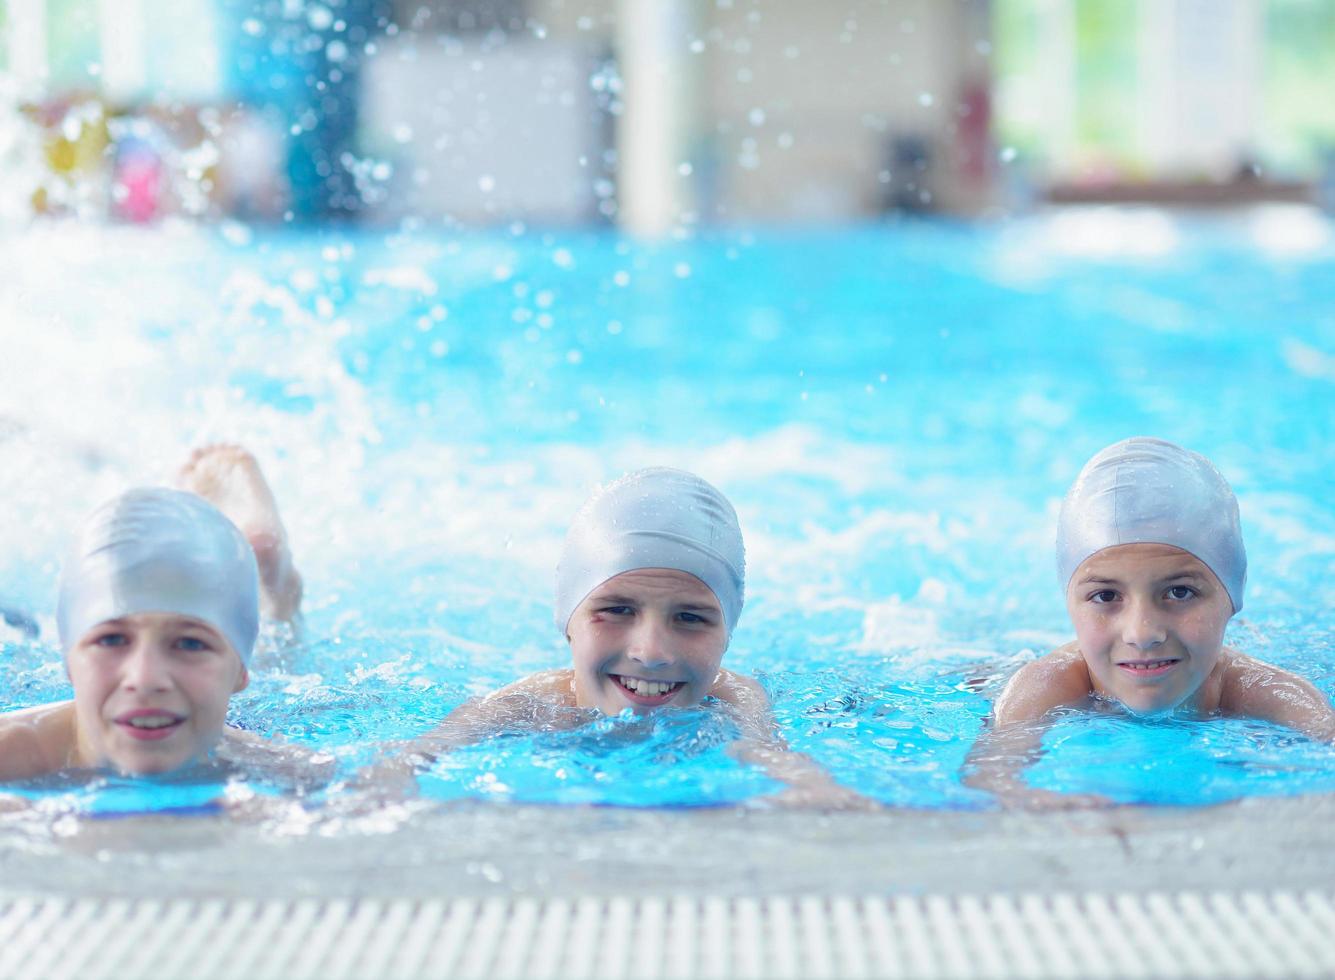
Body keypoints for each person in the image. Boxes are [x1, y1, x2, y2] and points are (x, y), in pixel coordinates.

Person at [377, 467, 871, 809]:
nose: (651, 652)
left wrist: (813, 788)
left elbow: (771, 756)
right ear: (567, 619)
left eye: (691, 618)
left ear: (727, 635)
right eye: (616, 610)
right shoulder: (527, 706)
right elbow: (417, 754)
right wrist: (386, 784)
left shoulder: (734, 697)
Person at [965, 437, 1335, 808]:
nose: (1142, 633)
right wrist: (1032, 801)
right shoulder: (1046, 686)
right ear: (1070, 605)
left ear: (1231, 598)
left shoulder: (1265, 690)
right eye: (1106, 596)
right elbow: (991, 778)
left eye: (1179, 592)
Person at [0, 446, 310, 789]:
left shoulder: (289, 773)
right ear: (67, 660)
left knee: (271, 667)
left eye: (190, 643)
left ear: (241, 672)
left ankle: (275, 590)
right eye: (111, 639)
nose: (145, 678)